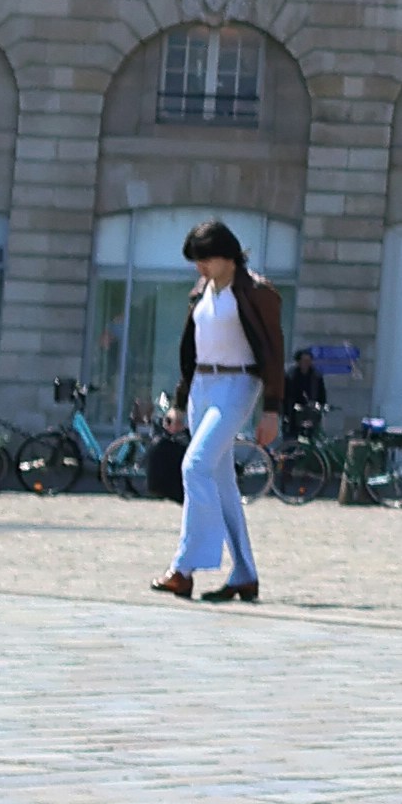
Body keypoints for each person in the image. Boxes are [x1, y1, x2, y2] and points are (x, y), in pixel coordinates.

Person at [159, 223, 280, 603]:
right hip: (202, 387)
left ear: (228, 255)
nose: (200, 268)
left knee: (195, 466)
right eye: (196, 261)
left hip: (238, 384)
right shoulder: (201, 292)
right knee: (223, 484)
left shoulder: (256, 291)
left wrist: (272, 410)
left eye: (206, 259)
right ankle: (245, 574)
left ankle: (185, 567)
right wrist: (180, 402)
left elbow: (274, 352)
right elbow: (189, 352)